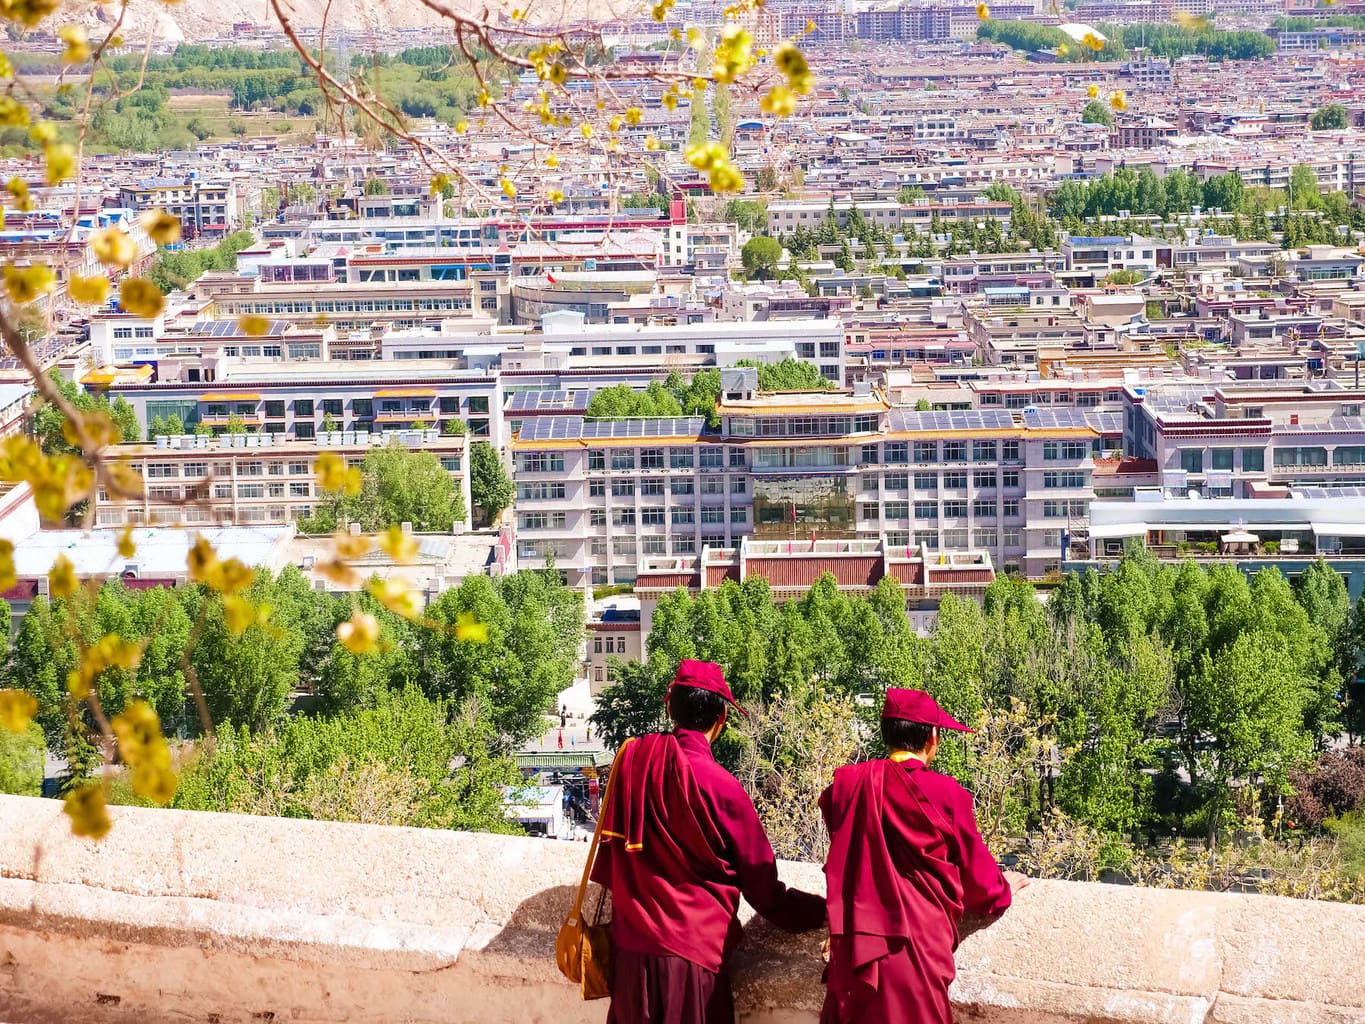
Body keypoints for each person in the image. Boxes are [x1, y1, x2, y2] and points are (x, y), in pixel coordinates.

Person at [591, 659, 826, 1024]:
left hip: (632, 955)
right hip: (694, 959)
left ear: (670, 708)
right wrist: (816, 911)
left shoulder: (633, 764)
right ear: (721, 720)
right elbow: (762, 887)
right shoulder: (722, 787)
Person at [819, 688, 1028, 1024]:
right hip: (917, 952)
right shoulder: (948, 794)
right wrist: (1003, 890)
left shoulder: (849, 786)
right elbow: (980, 882)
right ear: (933, 737)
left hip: (856, 949)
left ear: (886, 735)